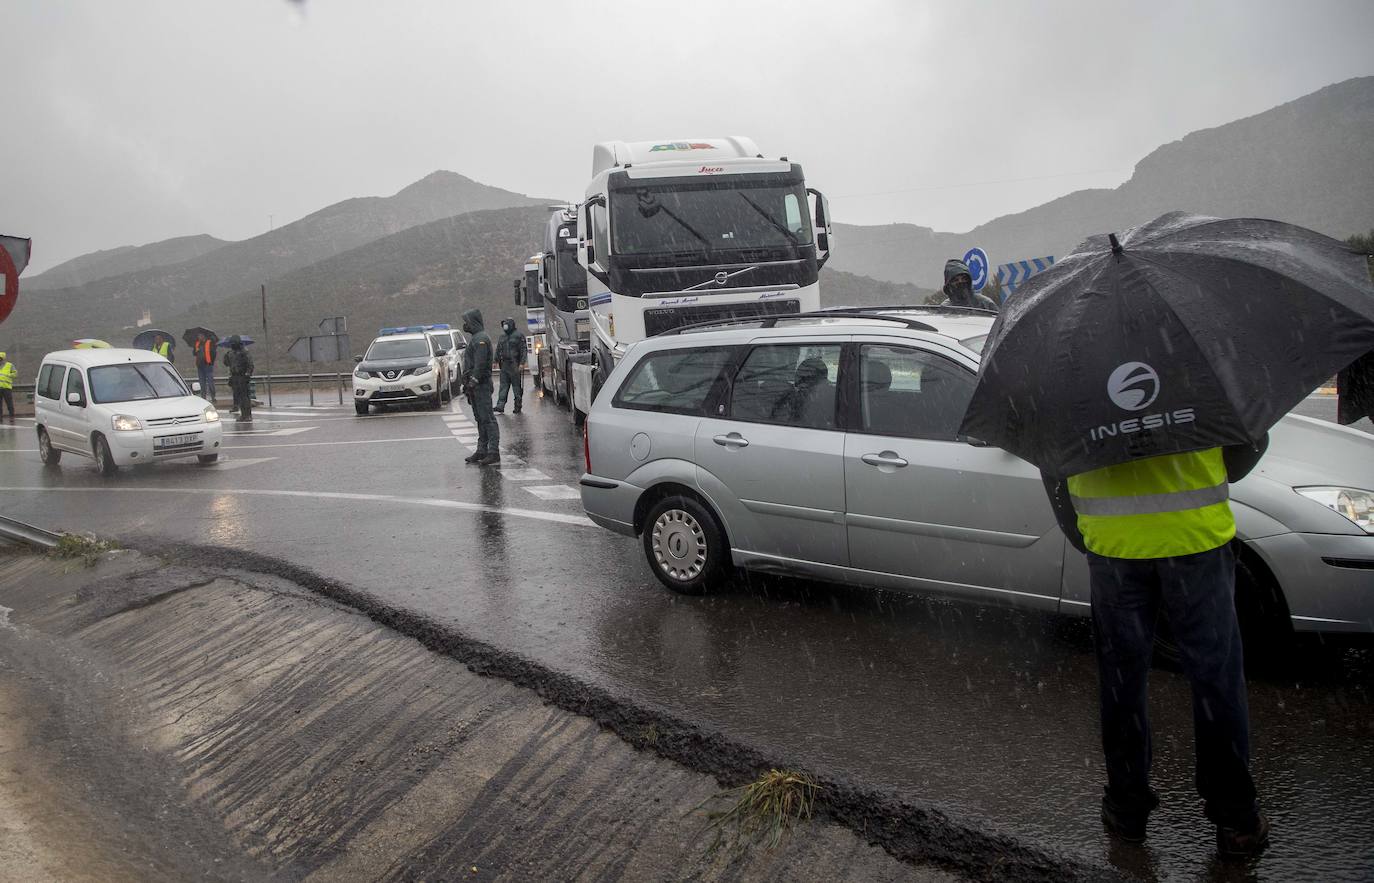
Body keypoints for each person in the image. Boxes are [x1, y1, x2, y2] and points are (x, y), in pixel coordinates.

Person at [1042, 439, 1271, 858]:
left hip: (1115, 546)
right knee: (1216, 679)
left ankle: (1128, 808)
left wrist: (1086, 533)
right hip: (1196, 538)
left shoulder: (1073, 380)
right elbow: (1246, 445)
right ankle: (1236, 818)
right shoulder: (1199, 374)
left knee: (1121, 682)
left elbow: (1053, 463)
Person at [460, 308, 499, 465]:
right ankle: (482, 450)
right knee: (480, 419)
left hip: (481, 385)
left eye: (467, 322)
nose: (465, 325)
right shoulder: (475, 338)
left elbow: (480, 364)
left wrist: (474, 380)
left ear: (473, 322)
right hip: (474, 387)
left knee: (487, 418)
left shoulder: (481, 339)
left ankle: (493, 452)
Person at [493, 316, 527, 414]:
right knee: (503, 386)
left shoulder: (518, 336)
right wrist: (495, 361)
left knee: (516, 387)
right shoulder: (502, 337)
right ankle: (500, 405)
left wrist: (522, 363)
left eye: (507, 324)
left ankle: (518, 405)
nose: (505, 326)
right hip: (504, 365)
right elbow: (498, 349)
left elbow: (523, 350)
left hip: (514, 364)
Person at [223, 336, 254, 421]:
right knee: (239, 397)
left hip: (242, 376)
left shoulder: (244, 352)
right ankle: (243, 415)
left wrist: (248, 374)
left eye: (234, 344)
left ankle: (248, 415)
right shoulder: (230, 353)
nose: (232, 345)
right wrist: (226, 357)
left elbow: (250, 365)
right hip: (234, 376)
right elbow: (227, 364)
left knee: (245, 397)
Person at [194, 333, 217, 402]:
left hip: (208, 366)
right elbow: (194, 353)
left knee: (210, 383)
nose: (199, 337)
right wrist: (196, 351)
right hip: (200, 366)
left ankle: (213, 397)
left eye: (200, 336)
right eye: (198, 336)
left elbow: (214, 353)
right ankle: (203, 398)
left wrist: (211, 362)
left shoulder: (209, 343)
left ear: (203, 336)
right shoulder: (197, 344)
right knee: (202, 383)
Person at [0, 352, 15, 420]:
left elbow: (15, 374)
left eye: (0, 358)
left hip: (7, 387)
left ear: (3, 359)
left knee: (9, 403)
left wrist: (9, 375)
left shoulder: (9, 365)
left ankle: (11, 416)